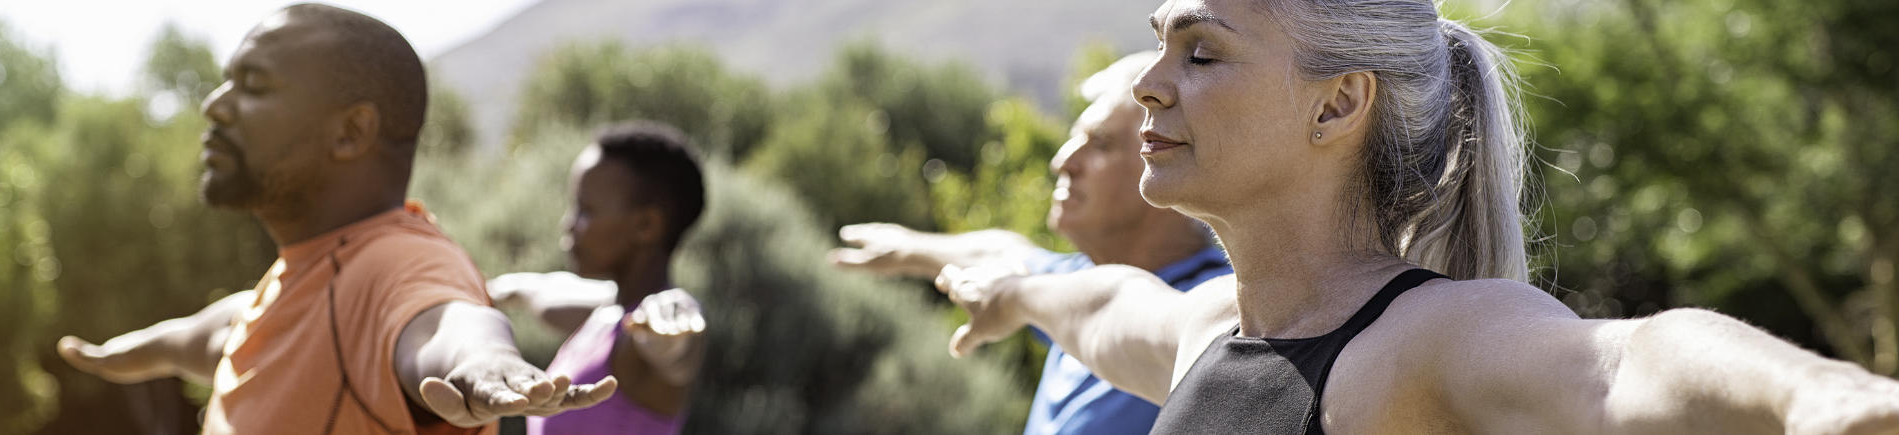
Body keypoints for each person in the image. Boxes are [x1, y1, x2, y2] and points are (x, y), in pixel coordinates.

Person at [933, 0, 1899, 433]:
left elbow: (1622, 362)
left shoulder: (1422, 340)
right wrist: (1010, 291)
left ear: (1337, 104)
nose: (1146, 86)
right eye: (1160, 46)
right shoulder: (1211, 330)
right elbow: (1097, 305)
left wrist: (1814, 394)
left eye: (1201, 53)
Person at [52, 4, 616, 433]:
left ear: (351, 131)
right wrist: (125, 354)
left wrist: (486, 360)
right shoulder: (304, 279)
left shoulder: (398, 262)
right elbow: (222, 332)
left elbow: (445, 322)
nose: (215, 105)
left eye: (253, 86)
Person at [830, 52, 1233, 435]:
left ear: (1170, 168)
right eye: (1073, 138)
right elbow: (1001, 254)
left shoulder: (1222, 313)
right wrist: (906, 248)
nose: (1062, 161)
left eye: (1101, 144)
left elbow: (1106, 307)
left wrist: (1016, 296)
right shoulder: (1073, 282)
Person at [488, 122, 709, 435]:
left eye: (585, 210)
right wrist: (485, 289)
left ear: (646, 225)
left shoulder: (645, 334)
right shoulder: (608, 312)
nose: (568, 224)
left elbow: (677, 346)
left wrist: (673, 327)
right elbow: (544, 290)